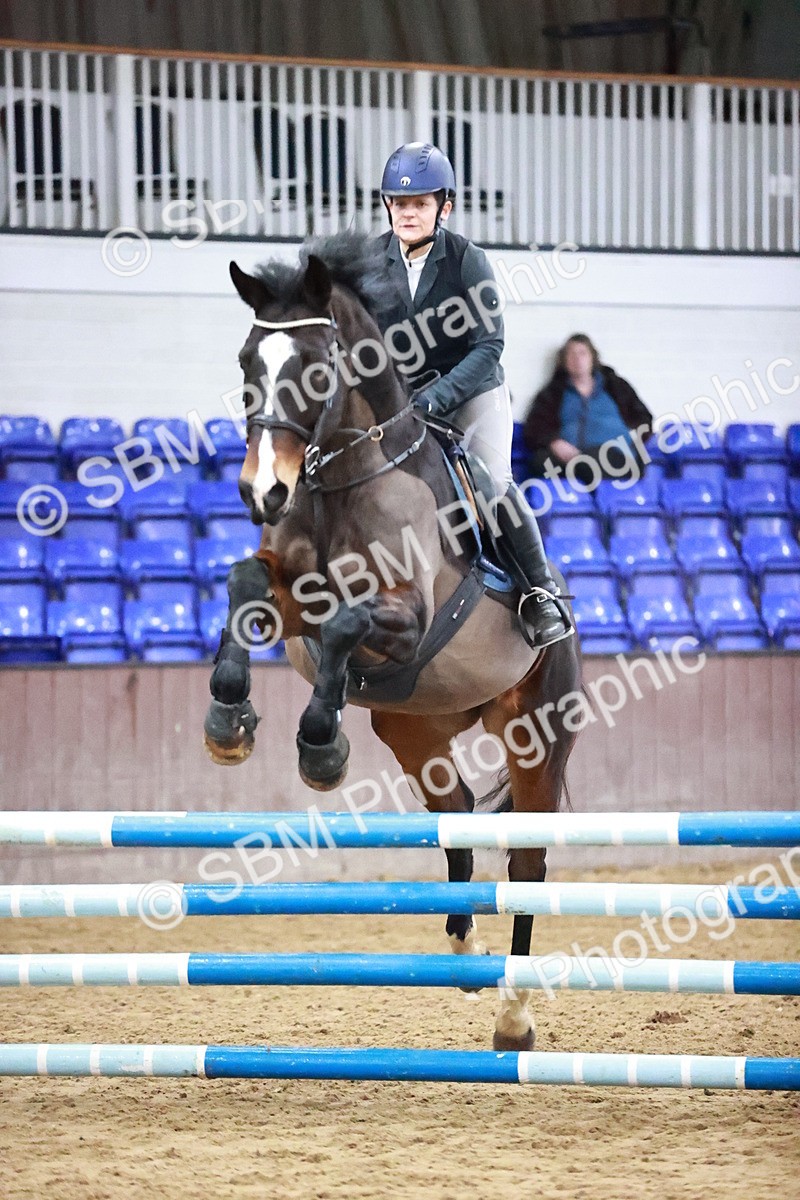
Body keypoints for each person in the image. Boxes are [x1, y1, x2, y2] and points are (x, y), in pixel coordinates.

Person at [375, 141, 572, 648]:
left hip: (470, 392)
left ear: (445, 207)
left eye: (420, 203)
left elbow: (490, 345)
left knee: (490, 481)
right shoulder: (371, 262)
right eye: (400, 203)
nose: (408, 212)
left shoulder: (468, 261)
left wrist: (436, 398)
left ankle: (540, 592)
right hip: (404, 399)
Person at [523, 334, 653, 486]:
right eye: (571, 354)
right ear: (563, 360)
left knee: (592, 460)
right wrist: (554, 442)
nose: (577, 359)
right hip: (570, 458)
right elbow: (535, 427)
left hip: (614, 455)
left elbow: (644, 420)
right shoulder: (552, 393)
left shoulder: (616, 386)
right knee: (540, 463)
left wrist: (627, 439)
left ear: (593, 357)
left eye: (582, 353)